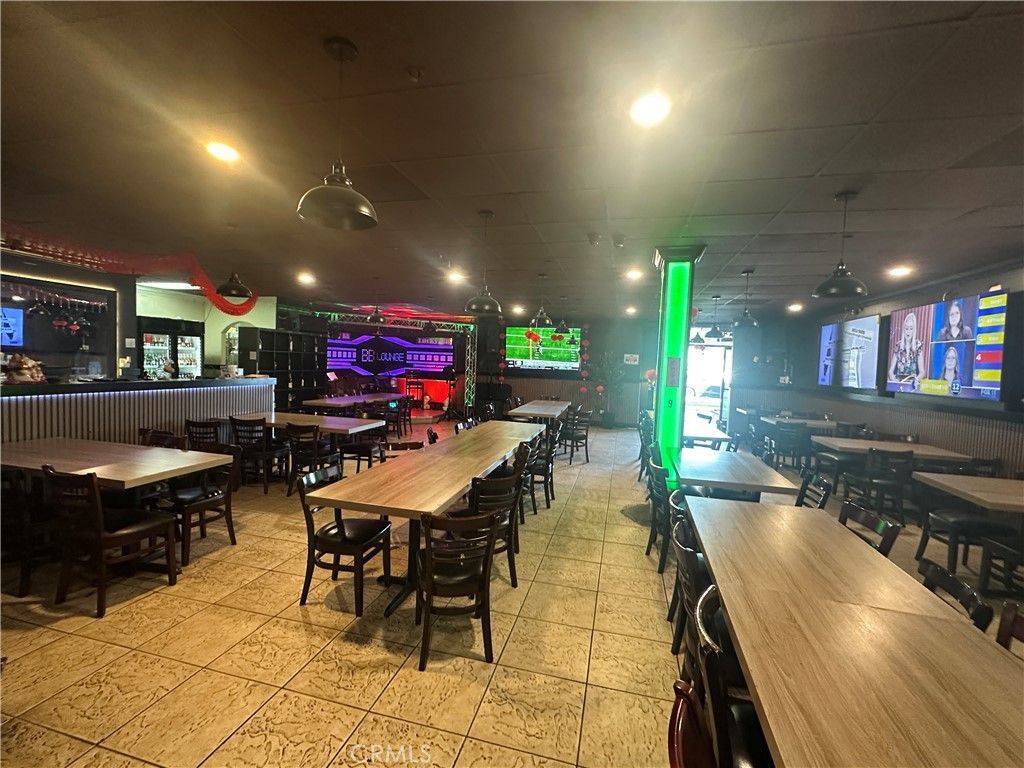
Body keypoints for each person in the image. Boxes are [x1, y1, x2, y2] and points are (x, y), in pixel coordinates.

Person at [888, 312, 925, 387]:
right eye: (906, 328)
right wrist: (894, 381)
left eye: (911, 328)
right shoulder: (898, 345)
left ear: (914, 330)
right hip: (898, 385)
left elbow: (922, 372)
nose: (908, 331)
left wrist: (915, 381)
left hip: (912, 385)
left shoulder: (918, 345)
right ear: (903, 329)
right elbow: (890, 371)